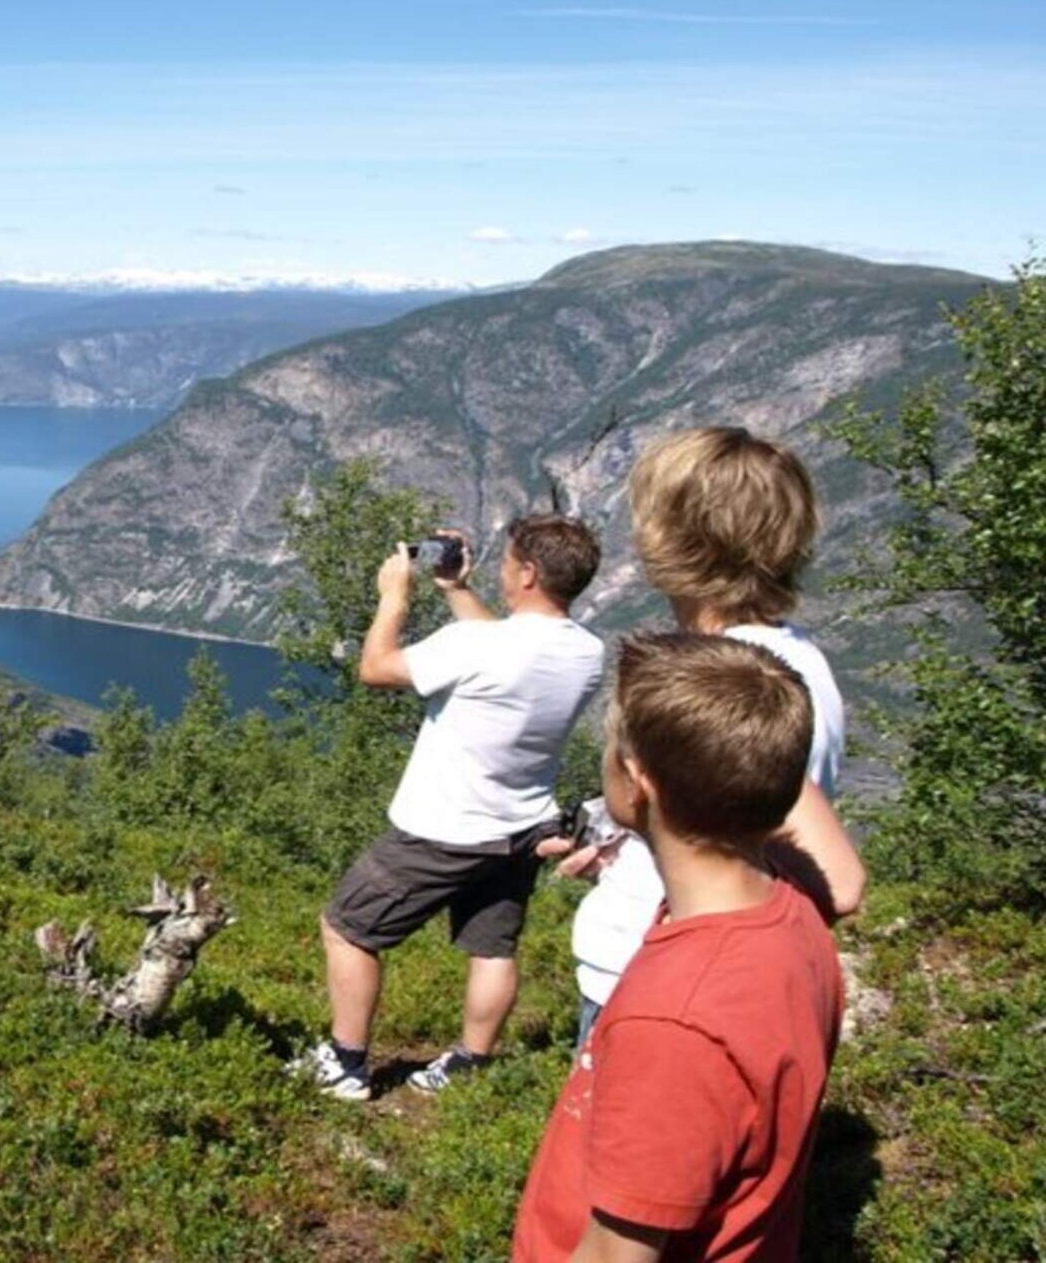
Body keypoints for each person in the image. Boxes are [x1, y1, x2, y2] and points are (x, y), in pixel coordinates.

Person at [513, 632, 844, 1262]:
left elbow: (617, 1255)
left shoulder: (677, 1023)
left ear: (638, 783)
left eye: (612, 747)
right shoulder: (793, 917)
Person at [544, 428, 863, 1050]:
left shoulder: (733, 683)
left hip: (656, 984)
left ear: (671, 540)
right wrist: (641, 838)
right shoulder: (793, 658)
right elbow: (744, 822)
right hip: (696, 972)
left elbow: (838, 880)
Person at [298, 514, 605, 1101]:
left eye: (510, 561)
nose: (503, 569)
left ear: (529, 573)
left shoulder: (475, 645)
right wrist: (457, 591)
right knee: (492, 946)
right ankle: (468, 1062)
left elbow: (376, 669)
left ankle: (346, 1065)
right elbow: (503, 649)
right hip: (521, 827)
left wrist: (396, 597)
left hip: (441, 830)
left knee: (348, 928)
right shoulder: (587, 653)